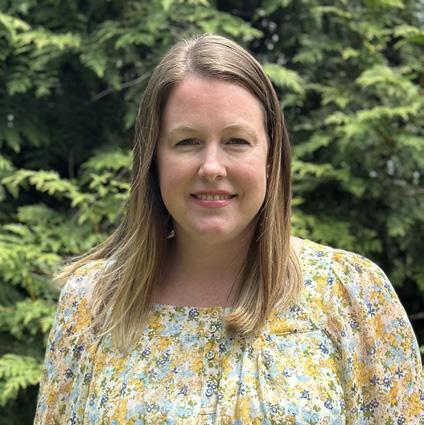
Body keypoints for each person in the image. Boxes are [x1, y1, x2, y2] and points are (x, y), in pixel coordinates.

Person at [34, 34, 422, 424]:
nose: (212, 167)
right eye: (187, 142)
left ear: (270, 156)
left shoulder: (352, 294)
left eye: (236, 141)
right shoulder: (94, 303)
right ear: (154, 159)